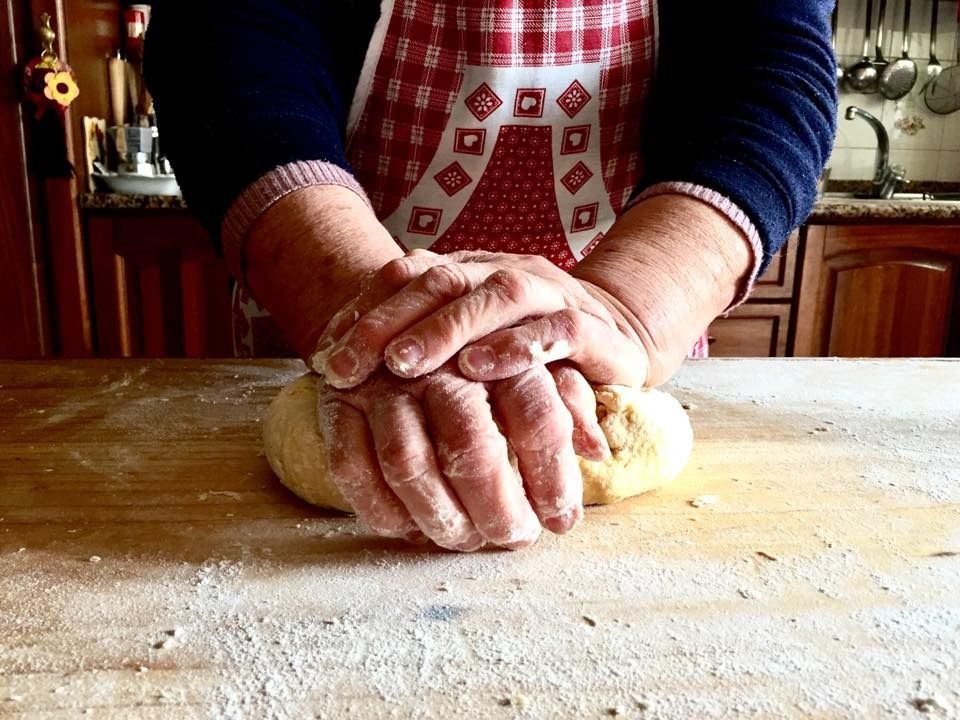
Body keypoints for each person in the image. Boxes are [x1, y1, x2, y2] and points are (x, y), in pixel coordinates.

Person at [145, 1, 837, 551]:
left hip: (622, 328)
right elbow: (229, 42)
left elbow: (767, 69)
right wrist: (360, 315)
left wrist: (624, 311)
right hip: (323, 299)